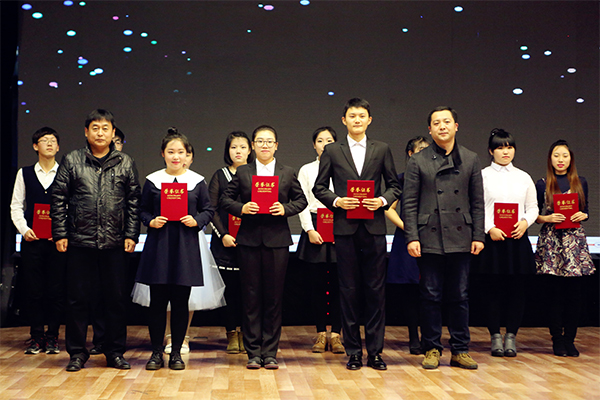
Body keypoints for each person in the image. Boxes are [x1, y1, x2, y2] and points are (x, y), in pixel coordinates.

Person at [313, 98, 401, 371]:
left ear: (369, 120)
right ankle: (353, 352)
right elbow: (319, 188)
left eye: (362, 115)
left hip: (374, 228)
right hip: (345, 229)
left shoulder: (382, 149)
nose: (357, 120)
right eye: (352, 116)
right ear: (344, 120)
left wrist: (382, 201)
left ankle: (375, 352)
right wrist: (337, 201)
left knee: (375, 291)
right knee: (348, 290)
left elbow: (395, 186)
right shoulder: (332, 150)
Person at [51, 109, 141, 372]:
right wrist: (60, 233)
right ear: (86, 131)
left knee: (116, 300)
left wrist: (131, 234)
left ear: (113, 133)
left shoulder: (125, 161)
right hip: (80, 241)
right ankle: (77, 353)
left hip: (115, 243)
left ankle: (114, 352)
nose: (100, 133)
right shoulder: (72, 160)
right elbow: (58, 198)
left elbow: (133, 201)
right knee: (77, 300)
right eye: (95, 128)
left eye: (105, 128)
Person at [402, 106, 484, 370]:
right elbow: (409, 203)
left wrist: (478, 235)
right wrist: (412, 236)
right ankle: (432, 348)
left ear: (456, 126)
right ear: (430, 129)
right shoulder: (418, 161)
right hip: (429, 235)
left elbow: (477, 202)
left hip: (461, 234)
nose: (442, 126)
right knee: (430, 295)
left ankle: (460, 349)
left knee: (460, 295)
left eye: (446, 121)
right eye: (436, 123)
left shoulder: (470, 158)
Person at [221, 125, 307, 369]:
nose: (265, 145)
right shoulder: (243, 171)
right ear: (253, 146)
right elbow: (225, 199)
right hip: (248, 241)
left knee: (273, 297)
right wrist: (242, 208)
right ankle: (253, 352)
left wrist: (285, 209)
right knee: (250, 296)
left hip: (277, 241)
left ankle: (270, 352)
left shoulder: (287, 172)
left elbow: (301, 200)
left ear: (276, 145)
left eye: (269, 141)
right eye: (260, 141)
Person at [135, 128, 214, 370]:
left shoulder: (197, 181)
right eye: (171, 152)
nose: (176, 156)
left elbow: (209, 210)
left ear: (188, 155)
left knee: (181, 302)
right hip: (159, 246)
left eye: (181, 152)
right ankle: (156, 353)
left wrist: (196, 221)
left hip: (185, 247)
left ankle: (176, 353)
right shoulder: (153, 180)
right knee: (158, 302)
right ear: (163, 154)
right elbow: (141, 210)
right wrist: (150, 221)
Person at [472, 129, 537, 357]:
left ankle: (511, 336)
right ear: (491, 151)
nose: (505, 151)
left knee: (517, 291)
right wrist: (489, 228)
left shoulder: (523, 177)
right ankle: (495, 337)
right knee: (492, 291)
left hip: (517, 240)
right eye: (500, 147)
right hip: (492, 241)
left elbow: (533, 207)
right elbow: (476, 207)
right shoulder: (482, 176)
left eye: (509, 147)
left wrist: (525, 222)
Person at [534, 139, 594, 357]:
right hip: (552, 241)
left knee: (574, 294)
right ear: (550, 159)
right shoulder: (542, 184)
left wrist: (583, 215)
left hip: (574, 241)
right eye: (556, 155)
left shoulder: (580, 182)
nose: (561, 160)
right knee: (554, 294)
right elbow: (533, 215)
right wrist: (546, 218)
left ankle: (570, 339)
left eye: (565, 156)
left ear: (571, 159)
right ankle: (557, 340)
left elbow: (586, 211)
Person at [10, 127, 66, 355]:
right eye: (44, 140)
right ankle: (36, 336)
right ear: (35, 146)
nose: (49, 144)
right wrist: (24, 230)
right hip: (32, 241)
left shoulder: (65, 173)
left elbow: (72, 206)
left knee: (56, 290)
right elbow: (16, 206)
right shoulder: (24, 173)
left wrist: (61, 231)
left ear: (58, 147)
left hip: (57, 242)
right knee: (33, 290)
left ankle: (52, 336)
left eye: (53, 140)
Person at [297, 127, 344, 354]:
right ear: (314, 145)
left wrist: (343, 229)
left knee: (340, 285)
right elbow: (302, 201)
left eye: (329, 140)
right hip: (315, 226)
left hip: (341, 225)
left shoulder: (344, 167)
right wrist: (309, 229)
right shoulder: (306, 170)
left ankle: (336, 335)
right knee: (317, 285)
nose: (324, 144)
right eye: (320, 140)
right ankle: (320, 333)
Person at [208, 131, 254, 354]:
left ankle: (247, 334)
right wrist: (224, 235)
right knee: (228, 291)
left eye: (243, 147)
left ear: (250, 150)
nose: (238, 151)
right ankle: (231, 334)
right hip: (224, 242)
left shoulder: (257, 174)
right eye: (234, 147)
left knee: (249, 291)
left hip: (250, 241)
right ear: (228, 150)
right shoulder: (220, 175)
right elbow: (212, 209)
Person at [384, 136, 431, 355]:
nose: (425, 153)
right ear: (411, 154)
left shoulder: (436, 178)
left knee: (431, 289)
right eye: (420, 150)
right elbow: (388, 208)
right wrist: (408, 227)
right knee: (411, 290)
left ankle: (430, 337)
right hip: (408, 239)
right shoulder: (401, 179)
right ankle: (414, 337)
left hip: (432, 239)